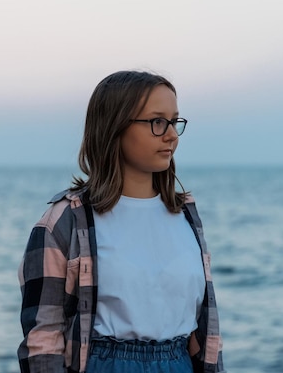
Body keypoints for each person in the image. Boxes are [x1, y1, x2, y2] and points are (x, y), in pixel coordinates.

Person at [17, 70, 225, 373]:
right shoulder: (64, 221)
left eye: (174, 121)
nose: (171, 134)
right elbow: (43, 339)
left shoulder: (186, 215)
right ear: (115, 126)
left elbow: (203, 332)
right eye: (157, 122)